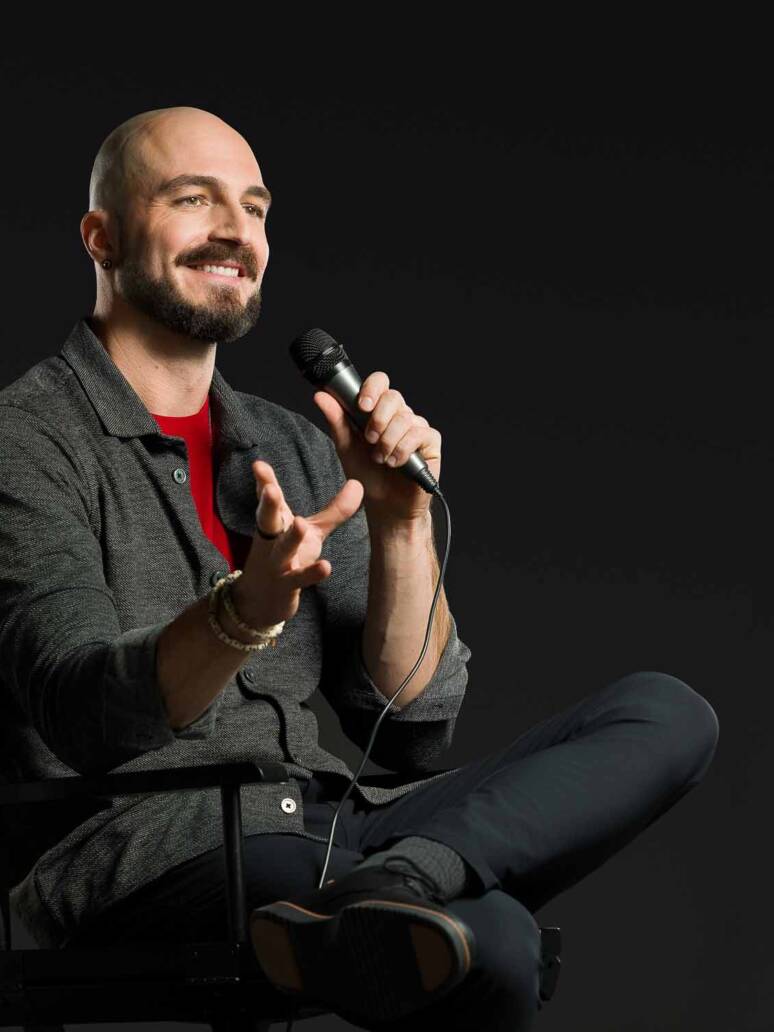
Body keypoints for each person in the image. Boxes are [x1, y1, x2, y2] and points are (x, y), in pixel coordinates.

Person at [0, 106, 720, 1032]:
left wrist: (398, 519)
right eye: (193, 199)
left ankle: (405, 877)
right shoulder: (27, 441)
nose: (235, 231)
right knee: (492, 940)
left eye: (255, 209)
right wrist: (243, 613)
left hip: (331, 824)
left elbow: (411, 726)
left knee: (665, 713)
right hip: (150, 850)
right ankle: (407, 886)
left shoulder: (290, 444)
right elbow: (82, 712)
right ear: (100, 235)